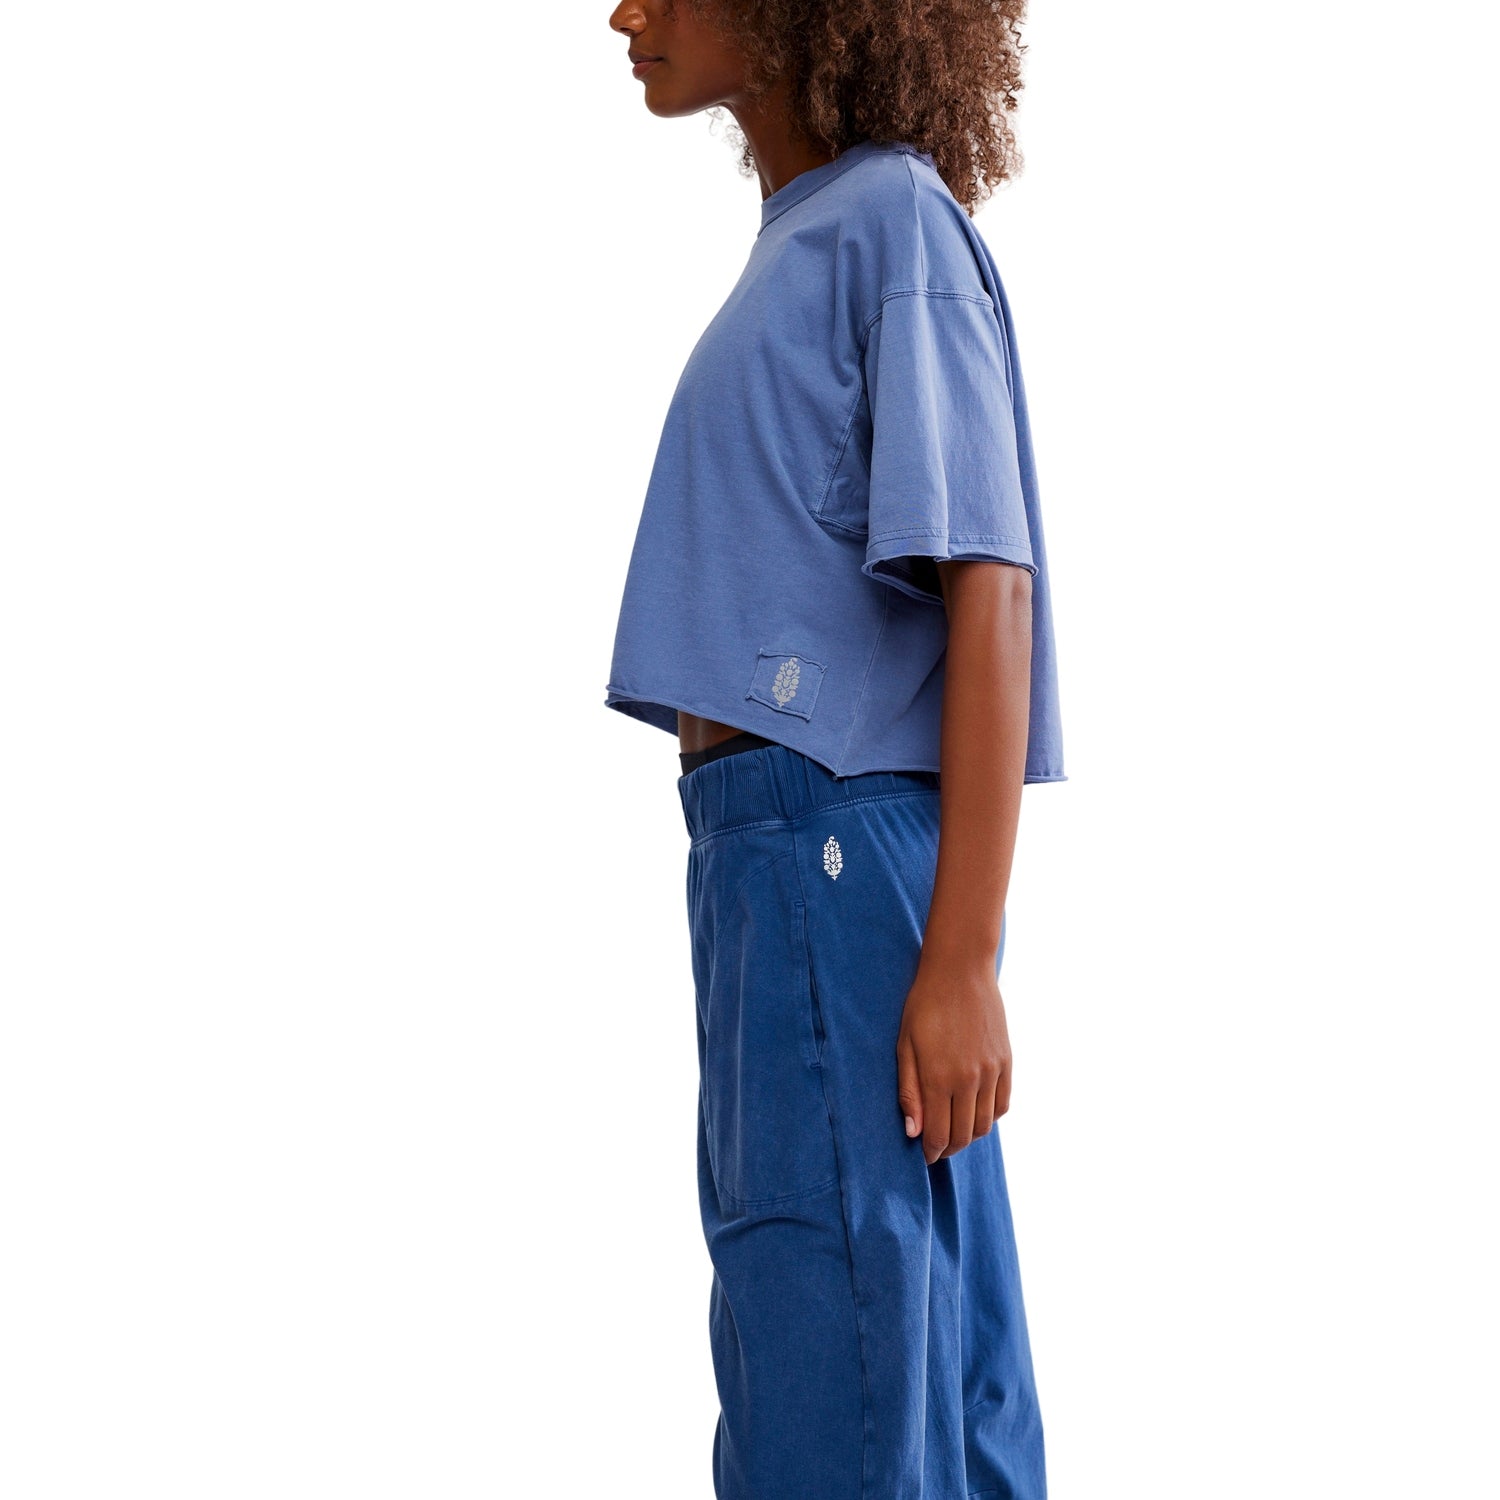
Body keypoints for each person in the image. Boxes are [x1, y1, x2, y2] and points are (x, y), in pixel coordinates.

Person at [603, 2, 1066, 1494]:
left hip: (823, 860)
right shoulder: (813, 237)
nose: (626, 13)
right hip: (783, 859)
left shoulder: (889, 224)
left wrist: (964, 958)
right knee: (904, 1369)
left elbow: (990, 584)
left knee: (836, 1372)